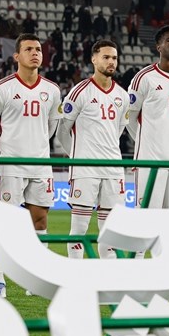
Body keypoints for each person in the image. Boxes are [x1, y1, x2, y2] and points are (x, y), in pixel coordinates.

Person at [0, 34, 61, 295]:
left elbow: (52, 125)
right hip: (10, 164)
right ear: (16, 56)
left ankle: (36, 278)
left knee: (40, 220)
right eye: (29, 49)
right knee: (6, 223)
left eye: (38, 49)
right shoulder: (3, 88)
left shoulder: (52, 90)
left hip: (40, 163)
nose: (35, 53)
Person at [57, 40, 128, 261]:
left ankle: (107, 281)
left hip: (113, 169)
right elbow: (62, 131)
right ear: (94, 59)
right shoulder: (80, 92)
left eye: (114, 58)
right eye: (106, 57)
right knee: (79, 228)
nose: (111, 62)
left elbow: (117, 131)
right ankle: (75, 280)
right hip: (85, 169)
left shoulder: (122, 96)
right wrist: (77, 158)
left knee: (111, 231)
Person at [125, 25, 169, 209]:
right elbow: (130, 117)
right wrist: (143, 140)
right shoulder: (144, 78)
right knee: (147, 220)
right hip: (149, 162)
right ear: (159, 47)